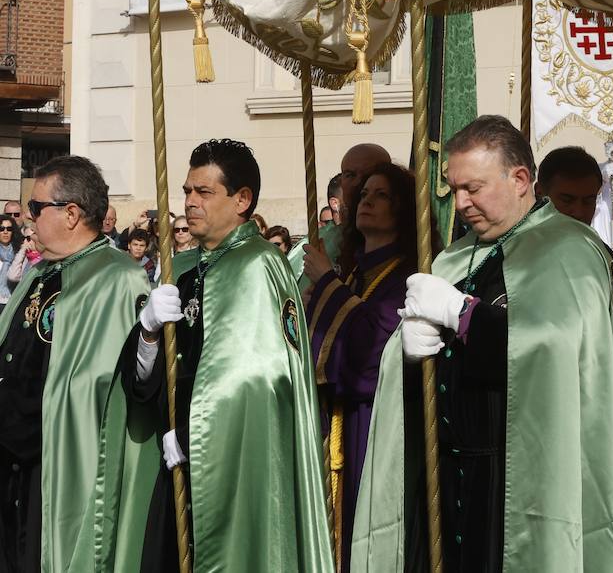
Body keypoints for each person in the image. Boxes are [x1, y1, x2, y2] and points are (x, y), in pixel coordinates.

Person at [351, 116, 613, 573]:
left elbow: (556, 354)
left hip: (519, 479)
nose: (461, 204)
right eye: (455, 190)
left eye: (474, 188)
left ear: (521, 179)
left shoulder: (572, 250)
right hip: (443, 478)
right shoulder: (455, 256)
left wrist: (464, 316)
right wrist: (404, 353)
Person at [122, 138, 331, 571]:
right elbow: (146, 380)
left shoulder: (258, 266)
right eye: (186, 191)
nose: (190, 203)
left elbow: (261, 378)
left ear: (242, 200)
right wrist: (147, 332)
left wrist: (194, 436)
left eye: (204, 192)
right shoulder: (178, 267)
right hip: (174, 459)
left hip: (235, 461)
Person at [0, 156, 155, 571]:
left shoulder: (118, 277)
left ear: (71, 213)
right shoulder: (39, 272)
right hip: (12, 461)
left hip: (59, 464)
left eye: (36, 208)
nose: (27, 219)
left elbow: (128, 383)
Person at [307, 162, 418, 571]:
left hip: (376, 422)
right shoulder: (354, 273)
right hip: (336, 419)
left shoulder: (406, 274)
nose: (368, 201)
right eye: (365, 194)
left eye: (382, 195)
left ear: (404, 209)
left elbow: (372, 352)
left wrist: (325, 286)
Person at [298, 144, 392, 281]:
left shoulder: (400, 249)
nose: (358, 183)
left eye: (369, 175)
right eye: (350, 175)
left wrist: (325, 280)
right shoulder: (327, 241)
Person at [534, 145, 603, 226]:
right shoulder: (520, 237)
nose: (578, 213)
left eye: (588, 202)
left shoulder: (592, 238)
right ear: (540, 193)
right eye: (566, 200)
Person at [0, 213, 20, 304]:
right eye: (1, 228)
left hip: (13, 301)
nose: (5, 232)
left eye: (9, 229)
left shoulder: (19, 251)